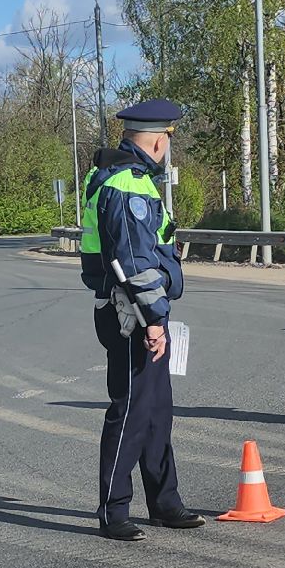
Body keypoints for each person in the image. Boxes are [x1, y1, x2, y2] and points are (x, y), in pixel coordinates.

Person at [78, 99, 207, 541]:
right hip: (131, 313)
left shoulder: (124, 179)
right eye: (169, 139)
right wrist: (154, 318)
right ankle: (113, 511)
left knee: (156, 410)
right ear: (158, 139)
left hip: (135, 310)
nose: (169, 147)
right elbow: (134, 261)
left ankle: (164, 501)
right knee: (132, 410)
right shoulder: (128, 184)